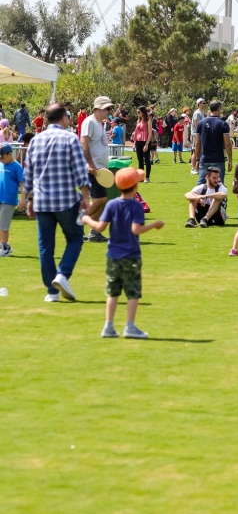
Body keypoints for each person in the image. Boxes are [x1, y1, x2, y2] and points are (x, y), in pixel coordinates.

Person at [81, 168, 164, 339]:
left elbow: (100, 227)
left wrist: (86, 219)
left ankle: (108, 326)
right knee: (132, 292)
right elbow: (136, 229)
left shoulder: (112, 204)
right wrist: (153, 225)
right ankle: (130, 326)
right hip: (131, 255)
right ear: (135, 187)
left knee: (113, 291)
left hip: (113, 255)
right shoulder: (136, 206)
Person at [25, 104, 91, 302]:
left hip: (42, 201)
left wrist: (29, 199)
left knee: (45, 246)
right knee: (75, 238)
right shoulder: (70, 138)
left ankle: (51, 292)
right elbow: (80, 170)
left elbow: (29, 173)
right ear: (63, 118)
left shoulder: (36, 140)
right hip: (66, 201)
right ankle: (62, 274)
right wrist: (86, 195)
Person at [80, 96, 115, 243]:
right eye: (107, 109)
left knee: (99, 199)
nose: (109, 112)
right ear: (98, 108)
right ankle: (79, 221)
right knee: (101, 199)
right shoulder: (90, 122)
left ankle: (94, 232)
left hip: (99, 168)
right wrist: (91, 164)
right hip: (92, 168)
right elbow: (83, 142)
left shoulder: (99, 123)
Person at [195, 100, 233, 185]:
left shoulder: (201, 123)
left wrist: (197, 159)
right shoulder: (223, 124)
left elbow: (197, 143)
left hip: (204, 159)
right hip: (218, 159)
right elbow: (227, 144)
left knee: (201, 185)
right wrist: (230, 160)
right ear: (219, 109)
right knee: (218, 185)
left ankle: (198, 198)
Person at [0, 143, 26, 256]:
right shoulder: (1, 164)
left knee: (3, 225)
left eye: (2, 156)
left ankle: (4, 248)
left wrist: (23, 199)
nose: (1, 159)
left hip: (9, 200)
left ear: (10, 154)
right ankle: (4, 246)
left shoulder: (17, 167)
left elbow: (22, 184)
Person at [132, 106, 154, 183]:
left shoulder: (148, 121)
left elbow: (150, 133)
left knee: (147, 160)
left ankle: (147, 177)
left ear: (143, 112)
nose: (138, 114)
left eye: (139, 112)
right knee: (140, 160)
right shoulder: (138, 121)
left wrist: (147, 144)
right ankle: (140, 177)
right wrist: (134, 142)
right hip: (138, 141)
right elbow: (136, 132)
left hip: (145, 141)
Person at [190, 99, 207, 174]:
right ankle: (193, 168)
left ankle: (198, 167)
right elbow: (197, 124)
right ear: (199, 104)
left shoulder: (202, 113)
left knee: (199, 151)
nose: (204, 104)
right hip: (196, 134)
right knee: (195, 151)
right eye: (203, 103)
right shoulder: (197, 113)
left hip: (200, 134)